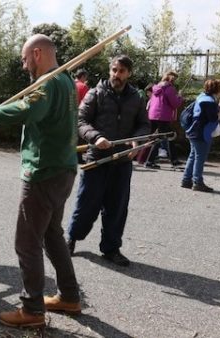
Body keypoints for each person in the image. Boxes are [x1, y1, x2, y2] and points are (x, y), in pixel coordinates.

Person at [0, 34, 82, 328]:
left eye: (23, 58)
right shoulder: (66, 80)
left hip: (43, 172)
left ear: (38, 53)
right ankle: (69, 296)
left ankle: (31, 310)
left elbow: (28, 110)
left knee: (27, 241)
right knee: (52, 234)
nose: (23, 65)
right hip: (63, 169)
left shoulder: (48, 82)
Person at [67, 55, 150, 267]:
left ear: (129, 73)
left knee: (117, 207)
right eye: (114, 70)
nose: (117, 75)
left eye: (122, 71)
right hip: (97, 159)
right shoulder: (96, 93)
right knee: (86, 204)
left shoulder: (137, 98)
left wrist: (137, 141)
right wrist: (96, 137)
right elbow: (80, 120)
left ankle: (111, 248)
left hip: (122, 161)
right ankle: (71, 239)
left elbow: (143, 124)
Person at [181, 79, 220, 192]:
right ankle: (198, 182)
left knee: (193, 156)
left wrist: (219, 107)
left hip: (193, 131)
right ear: (217, 89)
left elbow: (206, 114)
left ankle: (186, 180)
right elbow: (213, 119)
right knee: (200, 158)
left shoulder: (202, 97)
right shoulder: (209, 102)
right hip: (201, 133)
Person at [145, 71, 184, 169]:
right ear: (171, 78)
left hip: (153, 115)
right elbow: (175, 104)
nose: (175, 81)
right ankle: (150, 161)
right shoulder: (169, 88)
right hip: (163, 116)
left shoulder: (156, 87)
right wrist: (179, 97)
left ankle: (172, 160)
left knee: (159, 138)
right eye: (174, 78)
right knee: (166, 137)